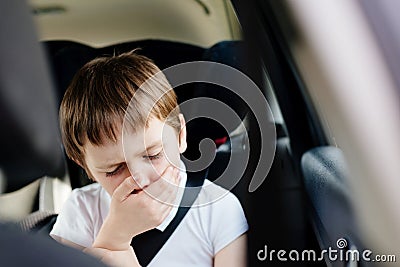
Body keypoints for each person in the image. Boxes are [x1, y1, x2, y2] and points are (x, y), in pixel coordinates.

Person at [50, 51, 248, 267]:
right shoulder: (82, 211)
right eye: (114, 170)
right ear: (84, 166)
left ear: (181, 135)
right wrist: (115, 237)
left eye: (153, 155)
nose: (139, 178)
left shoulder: (219, 210)